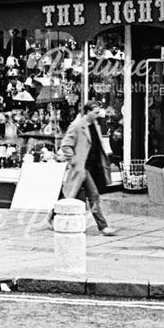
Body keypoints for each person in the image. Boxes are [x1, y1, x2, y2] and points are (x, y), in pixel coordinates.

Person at [49, 100, 118, 236]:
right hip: (82, 167)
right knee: (94, 195)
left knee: (69, 196)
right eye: (95, 112)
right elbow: (65, 145)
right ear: (87, 112)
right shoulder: (77, 126)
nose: (98, 115)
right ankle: (103, 226)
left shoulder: (96, 125)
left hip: (93, 166)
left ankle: (52, 215)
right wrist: (73, 160)